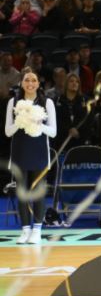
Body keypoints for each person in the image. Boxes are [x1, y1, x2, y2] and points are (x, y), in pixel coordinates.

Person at [5, 69, 57, 244]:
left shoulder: (46, 102)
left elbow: (54, 132)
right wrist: (21, 121)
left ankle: (37, 229)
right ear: (21, 82)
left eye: (33, 80)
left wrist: (37, 124)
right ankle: (25, 230)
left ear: (38, 83)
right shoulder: (13, 101)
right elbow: (7, 131)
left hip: (39, 152)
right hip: (19, 151)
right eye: (27, 80)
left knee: (38, 192)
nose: (30, 83)